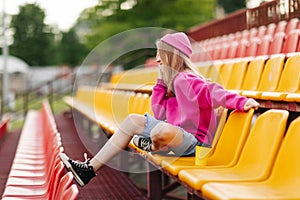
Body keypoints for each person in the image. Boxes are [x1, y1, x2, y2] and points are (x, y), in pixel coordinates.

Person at [59, 32, 259, 187]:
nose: (156, 59)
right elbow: (159, 113)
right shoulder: (171, 83)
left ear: (171, 55)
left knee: (161, 131)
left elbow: (213, 91)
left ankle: (152, 144)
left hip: (196, 144)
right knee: (132, 121)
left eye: (160, 54)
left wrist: (241, 102)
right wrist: (161, 84)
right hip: (176, 138)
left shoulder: (186, 79)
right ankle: (89, 170)